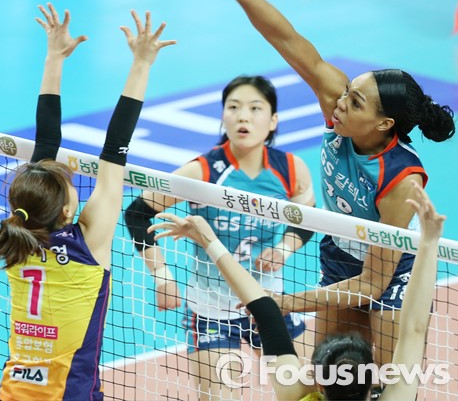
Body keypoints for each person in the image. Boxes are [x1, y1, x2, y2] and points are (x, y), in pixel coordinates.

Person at [180, 0, 455, 377]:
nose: (340, 103)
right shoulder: (337, 104)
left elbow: (372, 283)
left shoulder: (401, 180)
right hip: (342, 251)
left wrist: (283, 303)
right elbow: (286, 38)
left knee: (388, 382)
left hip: (392, 271)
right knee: (331, 375)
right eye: (348, 92)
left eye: (356, 102)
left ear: (384, 124)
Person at [0, 3, 175, 401]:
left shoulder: (17, 240)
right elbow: (114, 149)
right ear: (67, 210)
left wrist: (53, 58)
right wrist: (141, 64)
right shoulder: (88, 242)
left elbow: (47, 144)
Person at [148, 179, 445, 401]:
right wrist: (429, 241)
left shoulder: (297, 394)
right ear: (374, 378)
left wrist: (209, 240)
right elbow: (415, 328)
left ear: (319, 382)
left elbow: (264, 309)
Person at [124, 74, 316, 400]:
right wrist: (162, 276)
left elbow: (307, 218)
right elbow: (137, 214)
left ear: (273, 120)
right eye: (234, 107)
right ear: (223, 115)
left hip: (271, 304)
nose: (243, 117)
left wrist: (284, 248)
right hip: (211, 309)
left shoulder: (291, 169)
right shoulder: (202, 171)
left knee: (305, 394)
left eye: (255, 108)